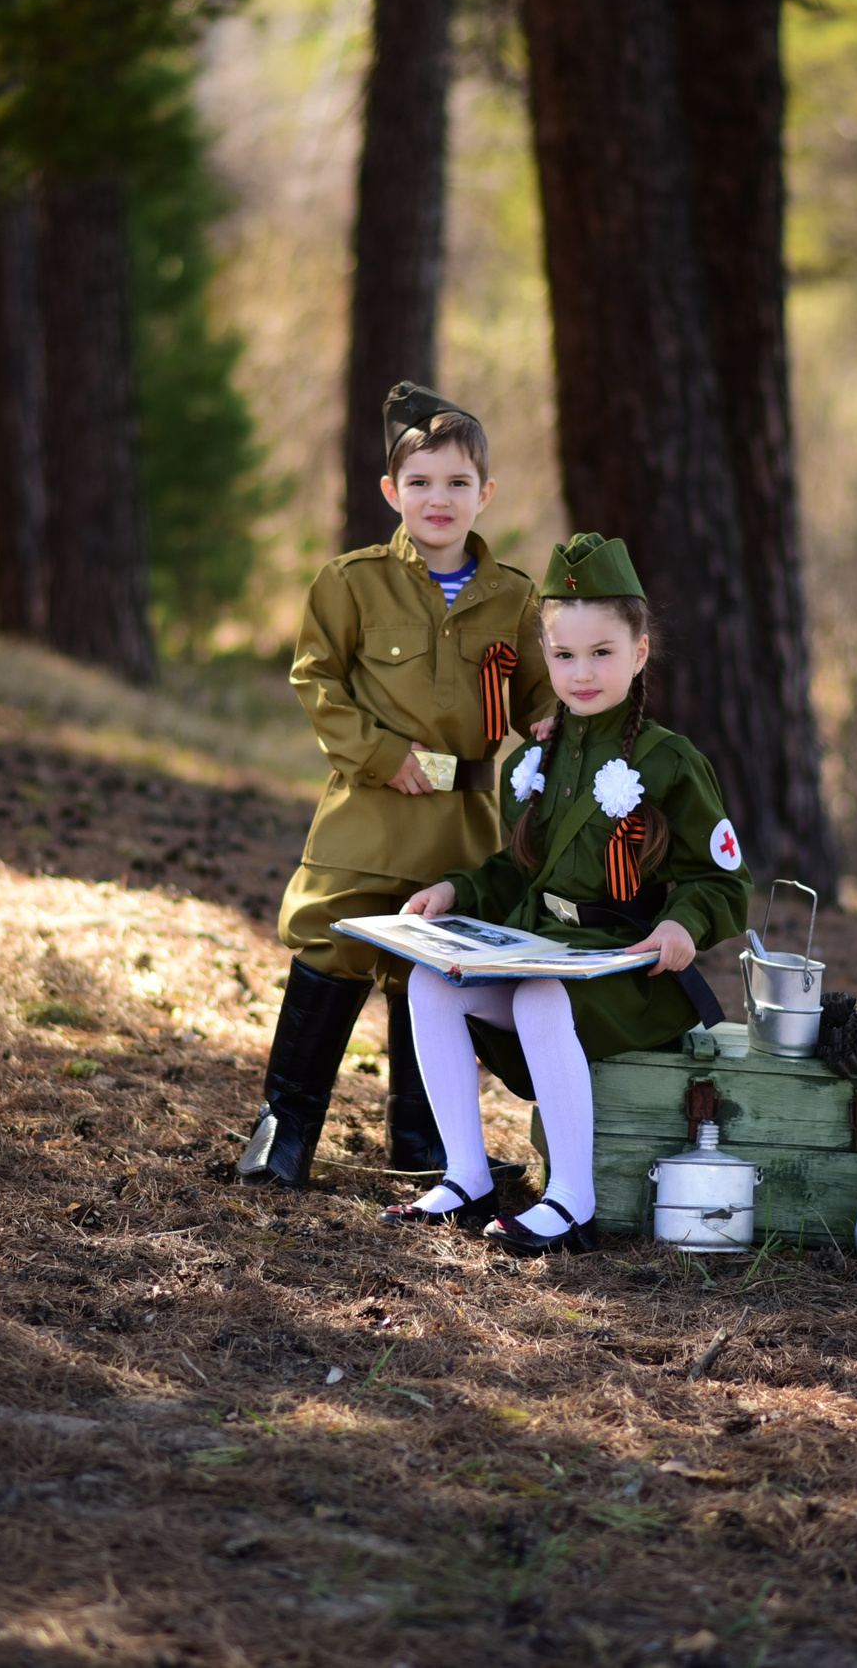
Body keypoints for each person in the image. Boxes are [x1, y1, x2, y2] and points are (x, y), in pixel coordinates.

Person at [380, 533, 752, 1254]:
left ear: (639, 651)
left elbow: (722, 881)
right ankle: (465, 1176)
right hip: (545, 948)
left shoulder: (670, 761)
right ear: (545, 656)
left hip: (629, 970)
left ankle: (571, 1199)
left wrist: (681, 926)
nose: (582, 673)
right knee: (431, 982)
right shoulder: (536, 759)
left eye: (602, 652)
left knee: (538, 995)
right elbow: (517, 873)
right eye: (564, 654)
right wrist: (455, 890)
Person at [240, 384, 556, 1189]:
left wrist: (554, 726)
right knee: (331, 947)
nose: (438, 499)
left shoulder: (515, 598)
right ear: (391, 492)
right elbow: (316, 679)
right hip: (370, 813)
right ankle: (284, 1133)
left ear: (485, 493)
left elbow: (535, 699)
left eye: (457, 483)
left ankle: (426, 1143)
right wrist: (379, 755)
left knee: (442, 970)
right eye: (419, 483)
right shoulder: (353, 582)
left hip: (461, 826)